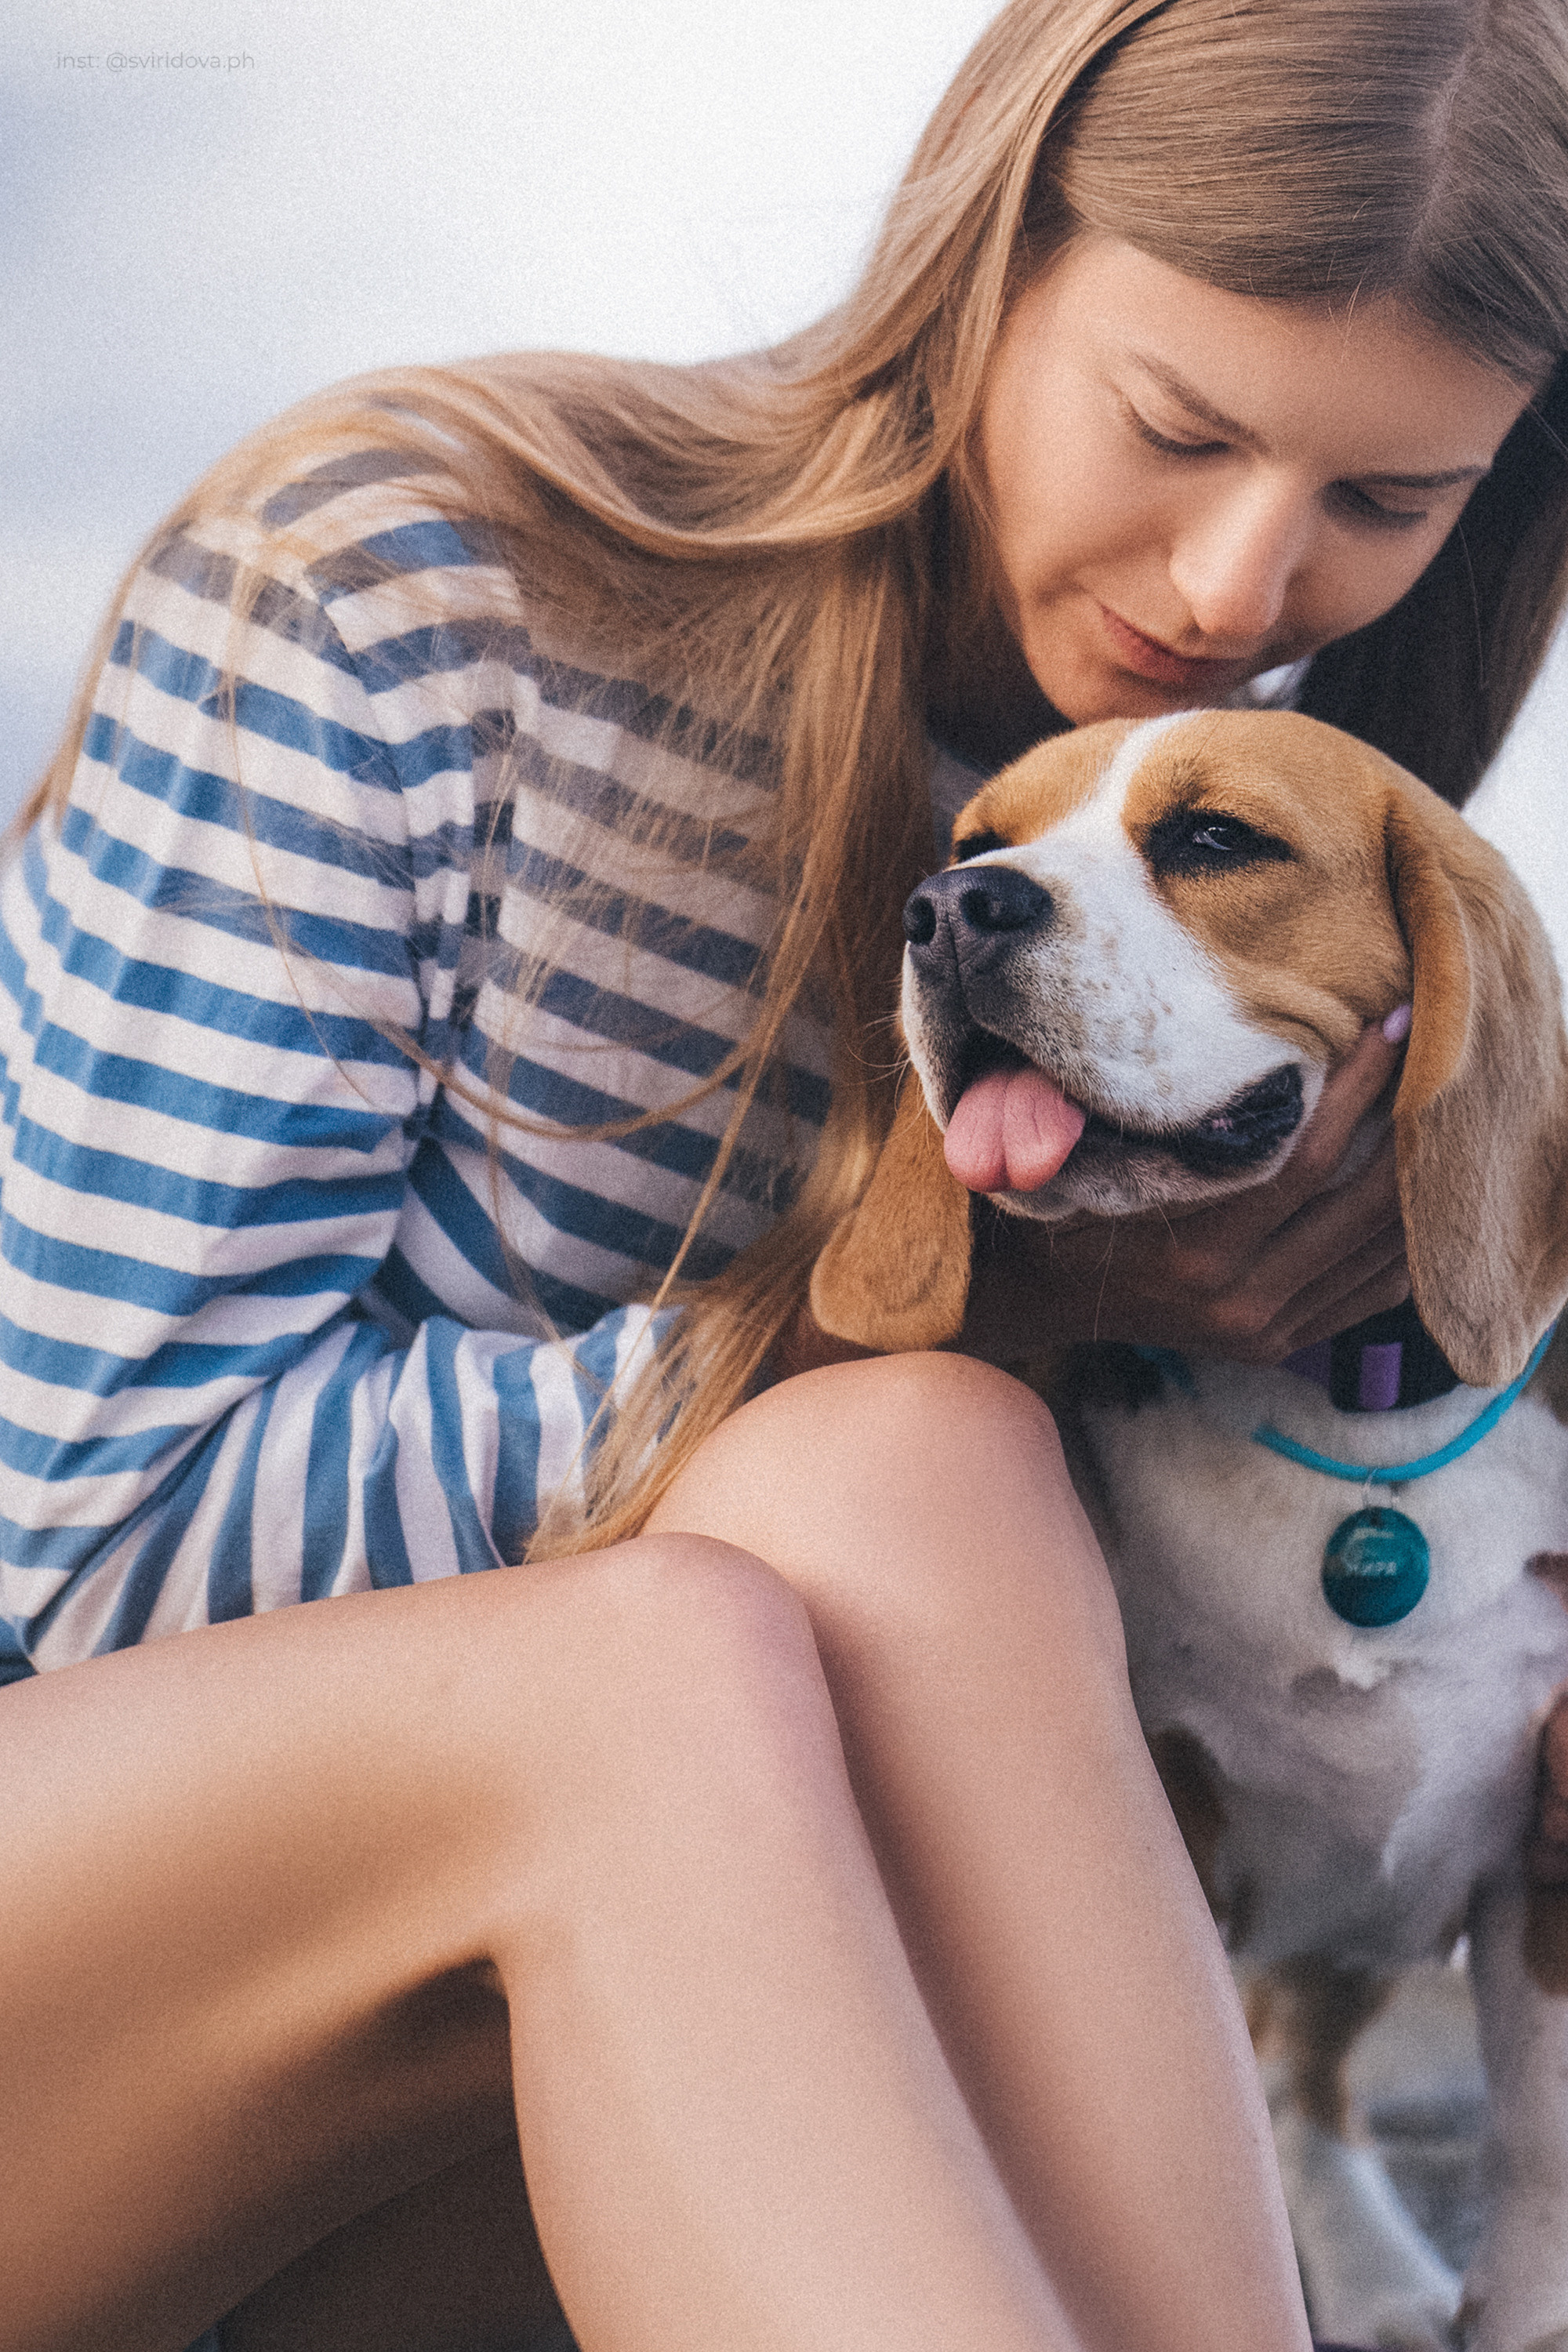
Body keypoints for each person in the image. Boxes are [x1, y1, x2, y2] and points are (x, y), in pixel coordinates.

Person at [3, 1, 1567, 2346]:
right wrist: (986, 1307)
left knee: (911, 1474)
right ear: (980, 263)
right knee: (697, 1635)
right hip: (112, 1981)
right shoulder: (412, 577)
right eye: (1178, 424)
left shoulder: (1241, 856)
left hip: (545, 2089)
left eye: (1387, 500)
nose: (1249, 584)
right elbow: (79, 1536)